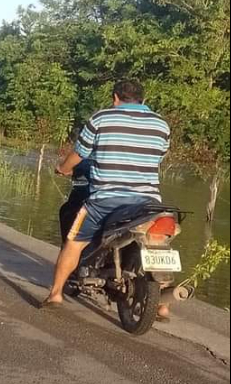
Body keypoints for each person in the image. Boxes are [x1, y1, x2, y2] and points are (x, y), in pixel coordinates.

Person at [42, 78, 171, 310]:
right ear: (144, 99)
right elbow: (158, 157)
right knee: (156, 240)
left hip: (105, 200)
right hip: (148, 203)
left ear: (115, 98)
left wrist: (63, 168)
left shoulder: (102, 118)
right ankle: (162, 306)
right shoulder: (161, 124)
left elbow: (80, 154)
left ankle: (55, 293)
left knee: (74, 242)